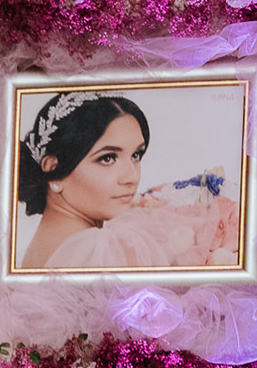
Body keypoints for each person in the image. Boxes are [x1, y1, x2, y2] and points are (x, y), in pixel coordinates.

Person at [17, 92, 239, 271]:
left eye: (135, 155)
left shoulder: (40, 248)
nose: (131, 177)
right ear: (53, 170)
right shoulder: (98, 251)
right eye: (107, 158)